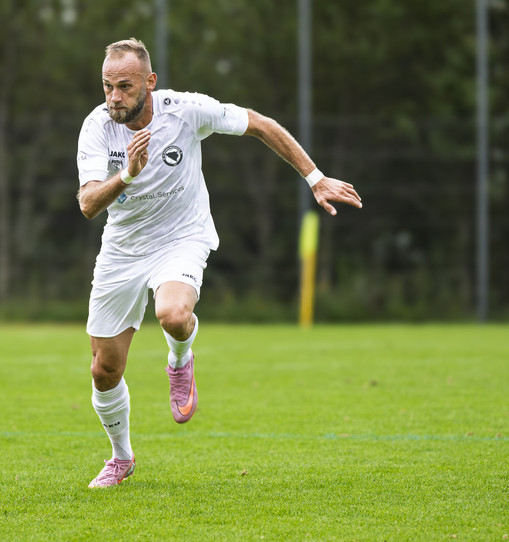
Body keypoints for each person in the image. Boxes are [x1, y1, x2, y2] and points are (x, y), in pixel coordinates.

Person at [76, 38, 362, 488]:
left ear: (149, 83)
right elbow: (89, 204)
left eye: (125, 87)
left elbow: (260, 125)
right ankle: (121, 458)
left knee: (173, 315)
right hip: (123, 248)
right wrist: (128, 173)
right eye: (108, 87)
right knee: (104, 368)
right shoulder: (96, 127)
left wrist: (316, 177)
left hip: (181, 236)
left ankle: (179, 358)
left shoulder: (186, 110)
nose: (114, 98)